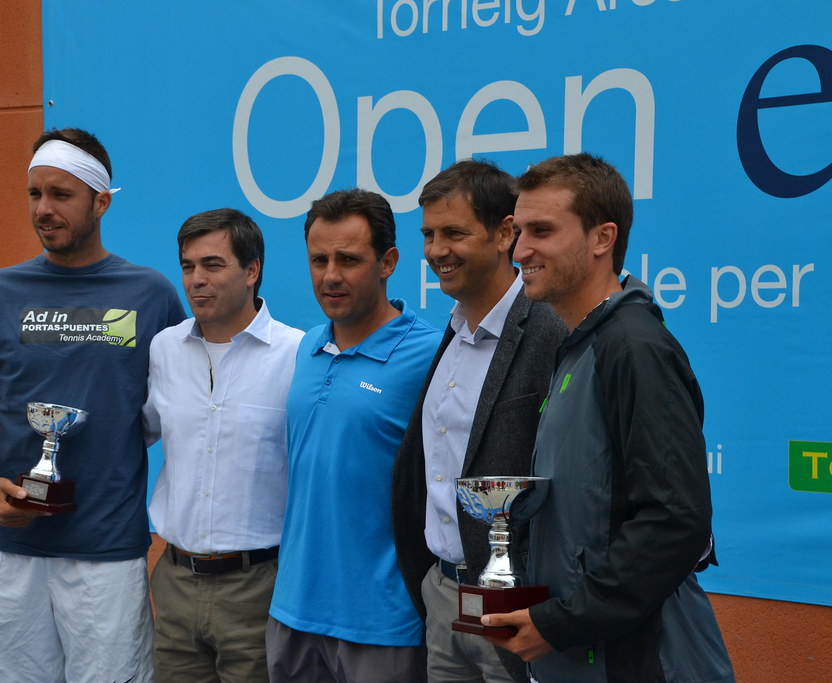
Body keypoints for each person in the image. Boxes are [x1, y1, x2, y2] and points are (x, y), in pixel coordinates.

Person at [0, 128, 185, 683]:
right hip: (9, 548)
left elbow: (179, 409)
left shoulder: (151, 295)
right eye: (35, 194)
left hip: (107, 550)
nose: (44, 209)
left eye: (61, 195)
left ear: (101, 202)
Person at [484, 153, 734, 682]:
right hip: (577, 657)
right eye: (519, 232)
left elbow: (675, 521)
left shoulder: (634, 348)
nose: (520, 250)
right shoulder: (579, 347)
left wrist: (561, 623)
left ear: (603, 238)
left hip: (640, 662)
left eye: (542, 231)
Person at [391, 160, 566, 683]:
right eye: (428, 235)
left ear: (505, 233)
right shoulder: (451, 332)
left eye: (454, 233)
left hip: (519, 607)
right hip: (443, 596)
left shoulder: (550, 329)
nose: (436, 250)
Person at [266, 188, 441, 683]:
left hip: (383, 621)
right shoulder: (308, 346)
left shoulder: (431, 354)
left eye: (348, 259)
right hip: (292, 612)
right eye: (318, 260)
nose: (330, 275)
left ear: (388, 262)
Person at [143, 208, 303, 682]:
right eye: (188, 266)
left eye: (212, 265)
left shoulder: (298, 354)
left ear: (252, 271)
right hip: (174, 581)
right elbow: (139, 432)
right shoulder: (163, 350)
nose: (197, 279)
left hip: (259, 586)